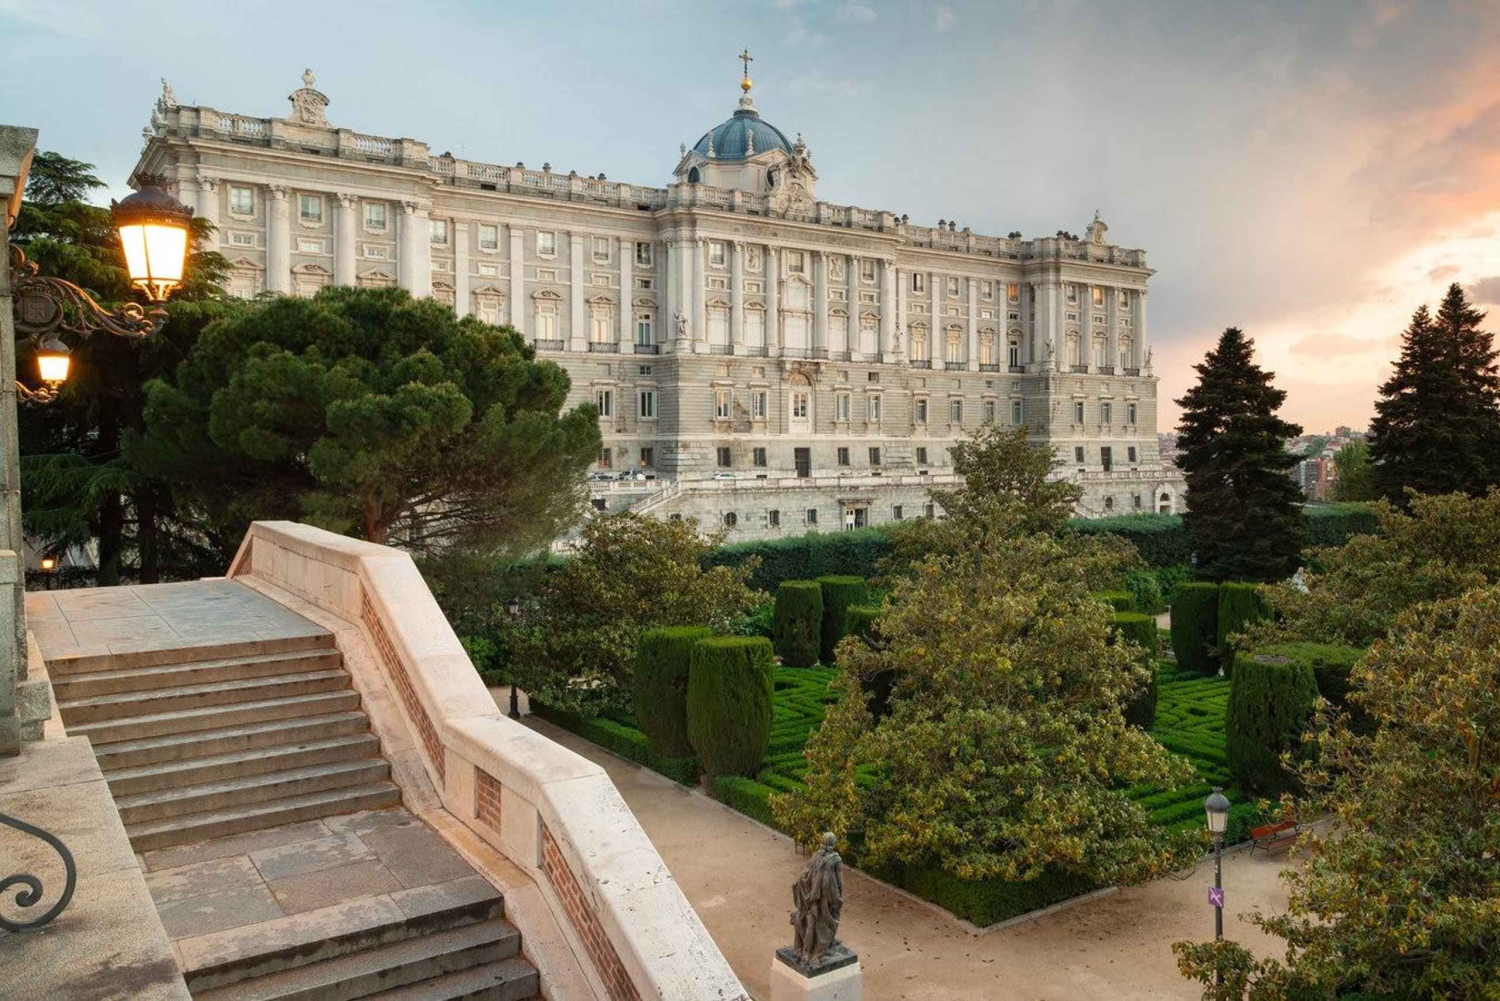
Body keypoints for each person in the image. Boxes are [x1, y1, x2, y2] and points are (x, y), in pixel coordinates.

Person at [790, 832, 844, 967]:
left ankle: (806, 951)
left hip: (812, 897)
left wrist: (808, 893)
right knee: (826, 921)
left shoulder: (815, 856)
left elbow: (805, 875)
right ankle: (814, 951)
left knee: (811, 921)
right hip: (827, 899)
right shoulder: (836, 859)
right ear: (833, 843)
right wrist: (838, 898)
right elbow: (840, 882)